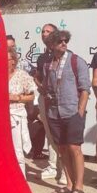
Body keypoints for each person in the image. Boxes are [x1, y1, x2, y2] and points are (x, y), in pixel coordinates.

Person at [40, 30, 90, 193]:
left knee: (74, 148)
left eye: (65, 40)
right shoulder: (48, 64)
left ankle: (79, 187)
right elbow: (47, 88)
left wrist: (80, 112)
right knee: (61, 149)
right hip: (54, 112)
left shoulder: (77, 61)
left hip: (72, 111)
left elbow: (85, 89)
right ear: (51, 45)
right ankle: (69, 184)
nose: (63, 43)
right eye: (59, 41)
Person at [34, 23, 62, 181]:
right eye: (43, 31)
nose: (44, 34)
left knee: (60, 134)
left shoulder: (62, 54)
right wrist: (40, 86)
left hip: (60, 100)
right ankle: (53, 166)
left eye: (48, 31)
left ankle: (64, 169)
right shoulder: (42, 57)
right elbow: (37, 76)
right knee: (50, 134)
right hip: (45, 99)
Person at [8, 48, 36, 179]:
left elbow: (31, 96)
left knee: (17, 150)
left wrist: (16, 98)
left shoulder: (22, 75)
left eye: (7, 59)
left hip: (16, 114)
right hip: (0, 117)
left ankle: (20, 179)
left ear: (13, 61)